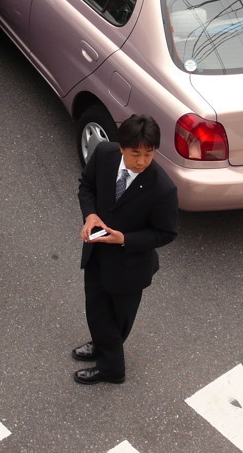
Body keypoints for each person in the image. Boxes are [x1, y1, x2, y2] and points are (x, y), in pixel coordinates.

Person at [73, 114, 178, 384]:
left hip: (130, 266)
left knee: (119, 318)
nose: (141, 161)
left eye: (148, 154)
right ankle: (102, 346)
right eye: (135, 154)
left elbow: (166, 233)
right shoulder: (104, 154)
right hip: (97, 252)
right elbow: (86, 187)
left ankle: (112, 369)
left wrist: (125, 239)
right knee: (95, 308)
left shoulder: (163, 188)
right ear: (121, 147)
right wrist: (90, 215)